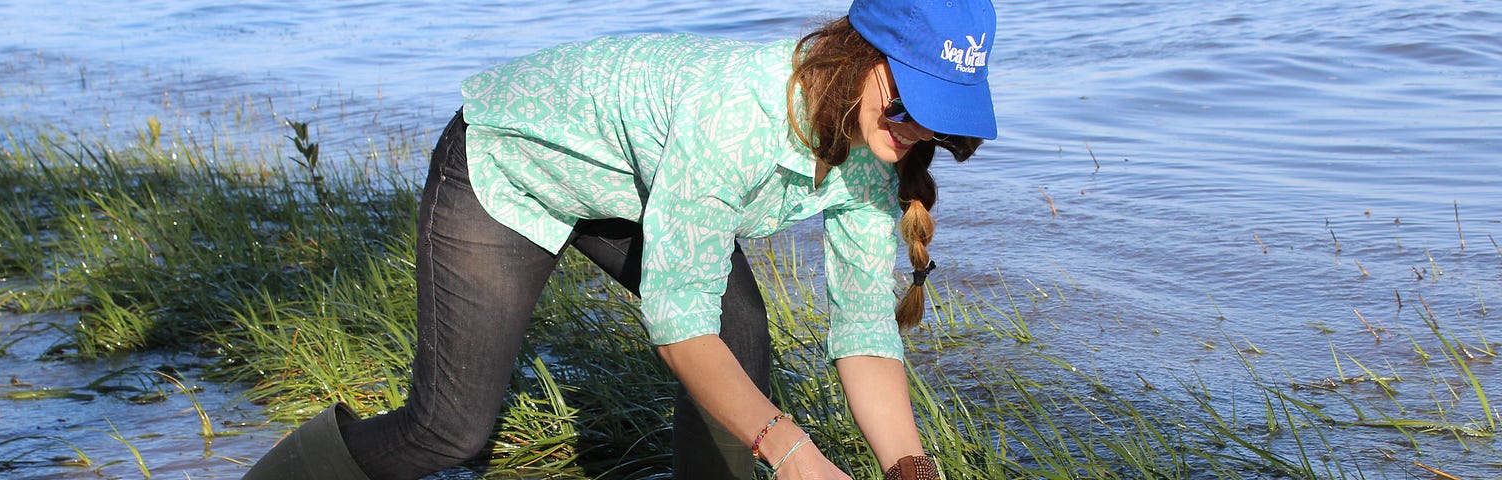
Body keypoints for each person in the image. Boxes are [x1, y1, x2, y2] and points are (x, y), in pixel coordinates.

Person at [241, 0, 995, 478]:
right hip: (508, 163)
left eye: (936, 114)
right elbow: (677, 328)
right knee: (449, 432)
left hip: (632, 187)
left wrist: (910, 468)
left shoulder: (875, 156)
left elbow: (864, 327)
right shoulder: (735, 115)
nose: (915, 131)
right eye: (904, 105)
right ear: (857, 55)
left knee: (740, 333)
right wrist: (795, 454)